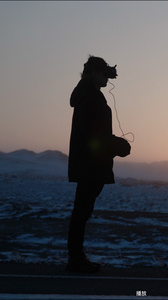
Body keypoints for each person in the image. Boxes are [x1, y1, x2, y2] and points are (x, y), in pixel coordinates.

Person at [66, 55, 131, 273]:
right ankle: (75, 258)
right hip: (90, 164)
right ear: (94, 73)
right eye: (103, 74)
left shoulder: (88, 95)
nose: (107, 79)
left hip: (89, 163)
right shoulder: (91, 97)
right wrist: (117, 146)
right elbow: (94, 134)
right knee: (82, 211)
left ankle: (76, 257)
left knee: (82, 210)